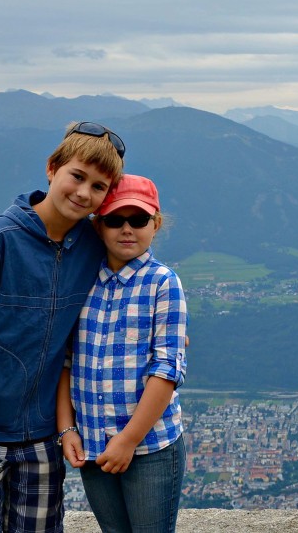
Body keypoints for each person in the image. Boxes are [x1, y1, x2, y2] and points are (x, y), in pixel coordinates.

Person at [0, 121, 126, 532]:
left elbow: (130, 277)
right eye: (77, 176)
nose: (83, 193)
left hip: (42, 437)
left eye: (99, 187)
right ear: (52, 168)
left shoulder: (91, 247)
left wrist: (162, 331)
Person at [57, 174, 188, 533]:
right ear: (98, 227)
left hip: (150, 448)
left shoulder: (163, 283)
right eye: (115, 220)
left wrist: (127, 440)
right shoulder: (82, 282)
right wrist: (67, 429)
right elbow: (65, 361)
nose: (126, 229)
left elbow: (167, 371)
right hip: (93, 444)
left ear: (155, 224)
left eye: (139, 219)